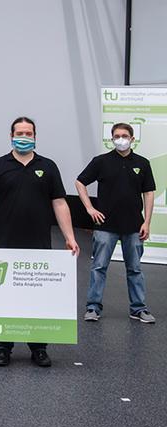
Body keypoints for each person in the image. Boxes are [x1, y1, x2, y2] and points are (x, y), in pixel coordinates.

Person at [0, 116, 80, 368]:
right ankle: (3, 348)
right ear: (11, 136)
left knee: (38, 297)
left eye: (28, 133)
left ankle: (39, 348)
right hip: (5, 242)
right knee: (5, 296)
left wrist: (70, 237)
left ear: (35, 136)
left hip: (39, 243)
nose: (24, 137)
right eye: (19, 132)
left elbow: (59, 202)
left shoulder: (48, 166)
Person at [76, 122, 156, 323]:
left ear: (132, 139)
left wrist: (147, 221)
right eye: (117, 136)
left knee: (135, 269)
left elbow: (148, 193)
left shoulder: (142, 163)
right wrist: (89, 208)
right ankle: (93, 307)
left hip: (134, 226)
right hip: (106, 225)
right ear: (112, 139)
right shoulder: (101, 161)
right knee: (99, 267)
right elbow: (80, 182)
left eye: (125, 135)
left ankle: (138, 308)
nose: (121, 139)